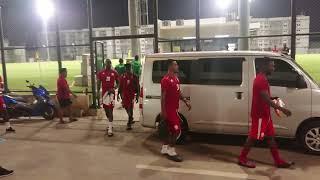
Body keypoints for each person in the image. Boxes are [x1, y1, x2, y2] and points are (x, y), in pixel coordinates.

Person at [238, 58, 294, 169]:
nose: (273, 68)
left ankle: (278, 161)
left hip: (265, 115)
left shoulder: (262, 78)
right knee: (253, 138)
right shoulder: (260, 80)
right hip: (260, 115)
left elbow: (265, 96)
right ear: (264, 66)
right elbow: (266, 100)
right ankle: (242, 159)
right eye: (271, 66)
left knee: (270, 137)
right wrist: (282, 109)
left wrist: (274, 99)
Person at [160, 59, 191, 162]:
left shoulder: (176, 79)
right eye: (175, 64)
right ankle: (171, 151)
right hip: (169, 110)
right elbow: (163, 97)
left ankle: (164, 148)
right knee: (176, 130)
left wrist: (185, 101)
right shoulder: (166, 80)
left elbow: (178, 92)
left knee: (170, 130)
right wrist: (163, 112)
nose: (177, 66)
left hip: (175, 109)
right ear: (170, 66)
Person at [97, 59, 119, 137]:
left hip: (111, 94)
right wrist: (97, 93)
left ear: (111, 64)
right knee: (106, 111)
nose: (108, 65)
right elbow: (98, 84)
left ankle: (110, 129)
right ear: (105, 64)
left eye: (109, 63)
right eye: (107, 63)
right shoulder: (101, 73)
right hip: (104, 94)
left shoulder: (114, 72)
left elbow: (118, 83)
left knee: (110, 110)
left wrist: (114, 88)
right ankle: (110, 123)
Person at [118, 63, 139, 130]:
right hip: (124, 96)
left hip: (131, 95)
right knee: (126, 107)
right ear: (125, 69)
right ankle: (131, 118)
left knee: (130, 108)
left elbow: (138, 87)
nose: (128, 70)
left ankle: (129, 123)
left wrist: (137, 96)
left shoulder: (135, 76)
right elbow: (120, 86)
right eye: (127, 68)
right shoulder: (122, 76)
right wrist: (118, 94)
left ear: (131, 68)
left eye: (129, 68)